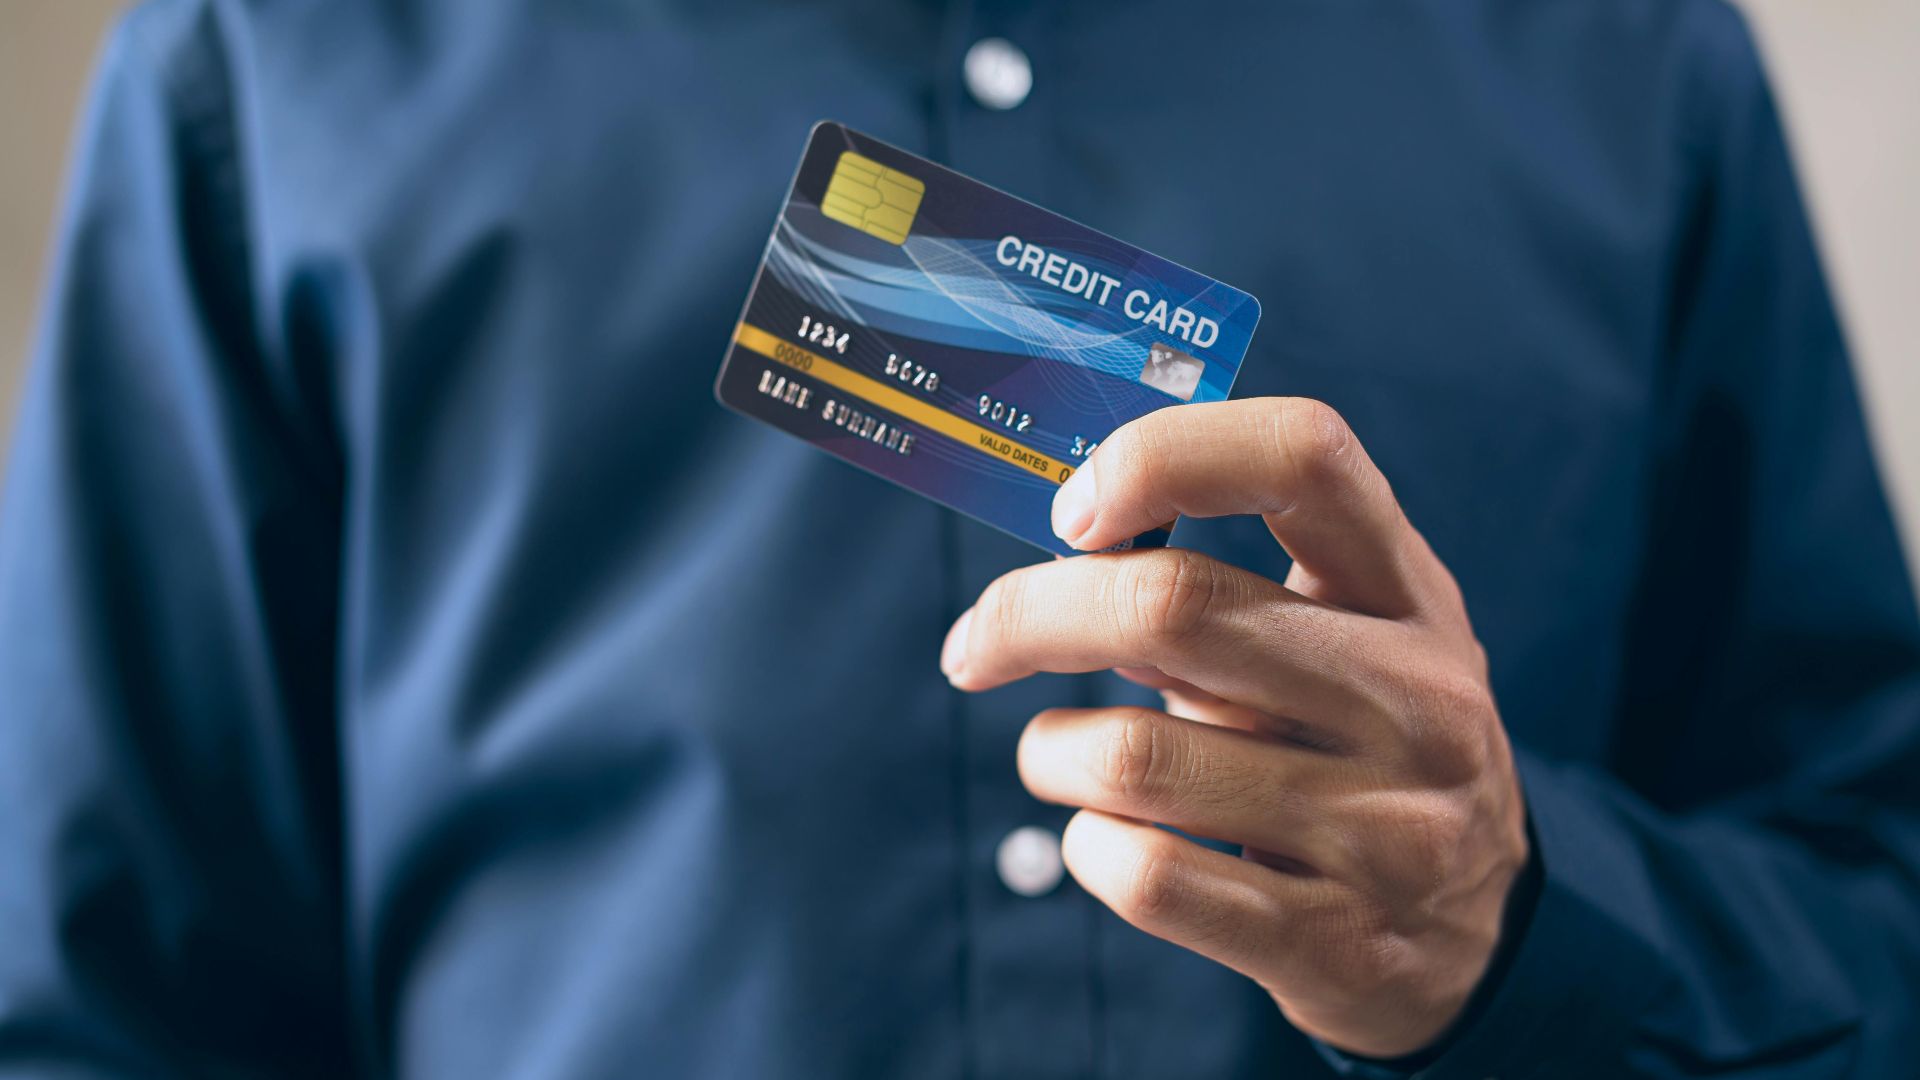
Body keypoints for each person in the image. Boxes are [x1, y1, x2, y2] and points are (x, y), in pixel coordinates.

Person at [2, 1, 1916, 1077]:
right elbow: (98, 1013)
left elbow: (1877, 931)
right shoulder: (277, 57)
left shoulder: (1621, 58)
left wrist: (1518, 921)